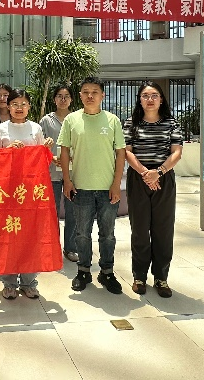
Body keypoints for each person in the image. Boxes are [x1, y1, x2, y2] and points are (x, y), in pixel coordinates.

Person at [58, 76, 126, 295]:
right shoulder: (71, 120)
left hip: (107, 189)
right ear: (80, 96)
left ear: (102, 95)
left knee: (108, 234)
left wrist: (116, 184)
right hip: (81, 187)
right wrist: (67, 180)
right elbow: (64, 151)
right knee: (82, 234)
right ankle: (84, 271)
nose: (90, 96)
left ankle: (107, 272)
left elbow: (121, 153)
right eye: (86, 92)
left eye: (94, 92)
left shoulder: (113, 121)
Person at [0, 88, 54, 300]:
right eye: (15, 104)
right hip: (8, 191)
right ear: (8, 107)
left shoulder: (36, 128)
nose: (19, 108)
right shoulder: (0, 129)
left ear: (29, 107)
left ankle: (29, 282)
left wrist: (45, 149)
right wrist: (8, 151)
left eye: (23, 104)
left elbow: (42, 162)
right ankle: (8, 283)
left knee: (30, 237)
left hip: (30, 191)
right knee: (9, 236)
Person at [123, 81, 183, 298]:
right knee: (139, 229)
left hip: (164, 178)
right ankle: (139, 276)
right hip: (138, 178)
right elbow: (127, 151)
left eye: (154, 95)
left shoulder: (171, 123)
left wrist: (159, 172)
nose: (150, 99)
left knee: (163, 230)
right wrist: (145, 173)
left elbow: (176, 152)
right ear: (139, 100)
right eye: (145, 96)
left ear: (161, 99)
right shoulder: (131, 122)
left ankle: (161, 277)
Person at [39, 85, 78, 263]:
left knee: (72, 212)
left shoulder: (77, 119)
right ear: (54, 99)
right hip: (52, 171)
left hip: (73, 173)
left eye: (66, 96)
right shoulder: (46, 121)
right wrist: (51, 156)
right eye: (59, 96)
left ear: (71, 99)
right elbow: (40, 145)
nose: (63, 99)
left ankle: (71, 248)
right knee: (51, 212)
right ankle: (51, 248)